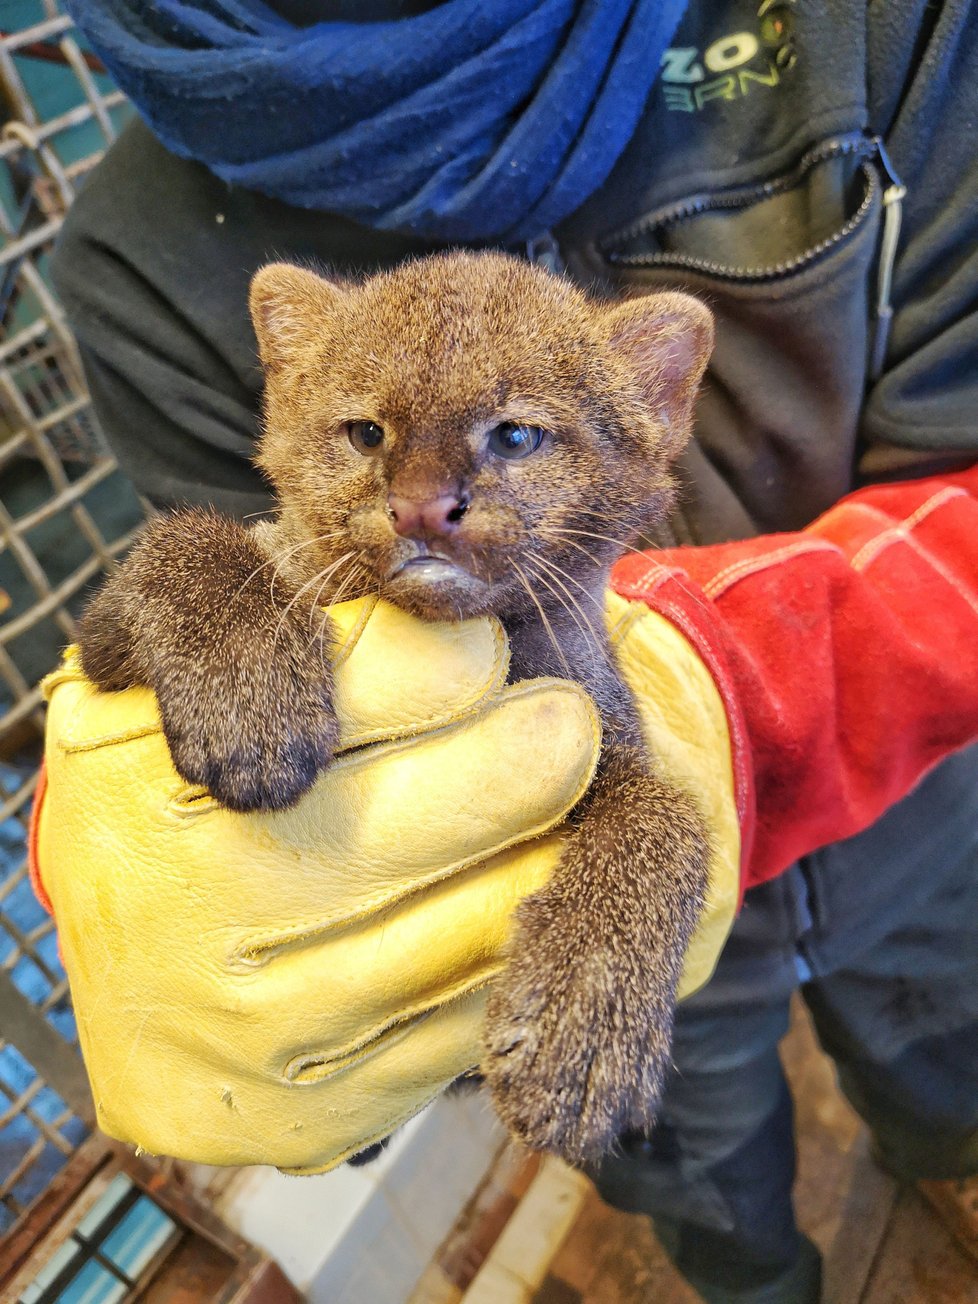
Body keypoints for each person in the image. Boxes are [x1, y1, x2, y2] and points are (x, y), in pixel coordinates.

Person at [44, 2, 978, 1300]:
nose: (425, 494)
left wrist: (706, 700)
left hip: (915, 827)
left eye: (511, 440)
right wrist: (180, 660)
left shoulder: (879, 24)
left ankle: (940, 1152)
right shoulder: (142, 263)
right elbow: (259, 662)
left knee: (941, 1050)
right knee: (689, 1172)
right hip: (566, 940)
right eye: (374, 440)